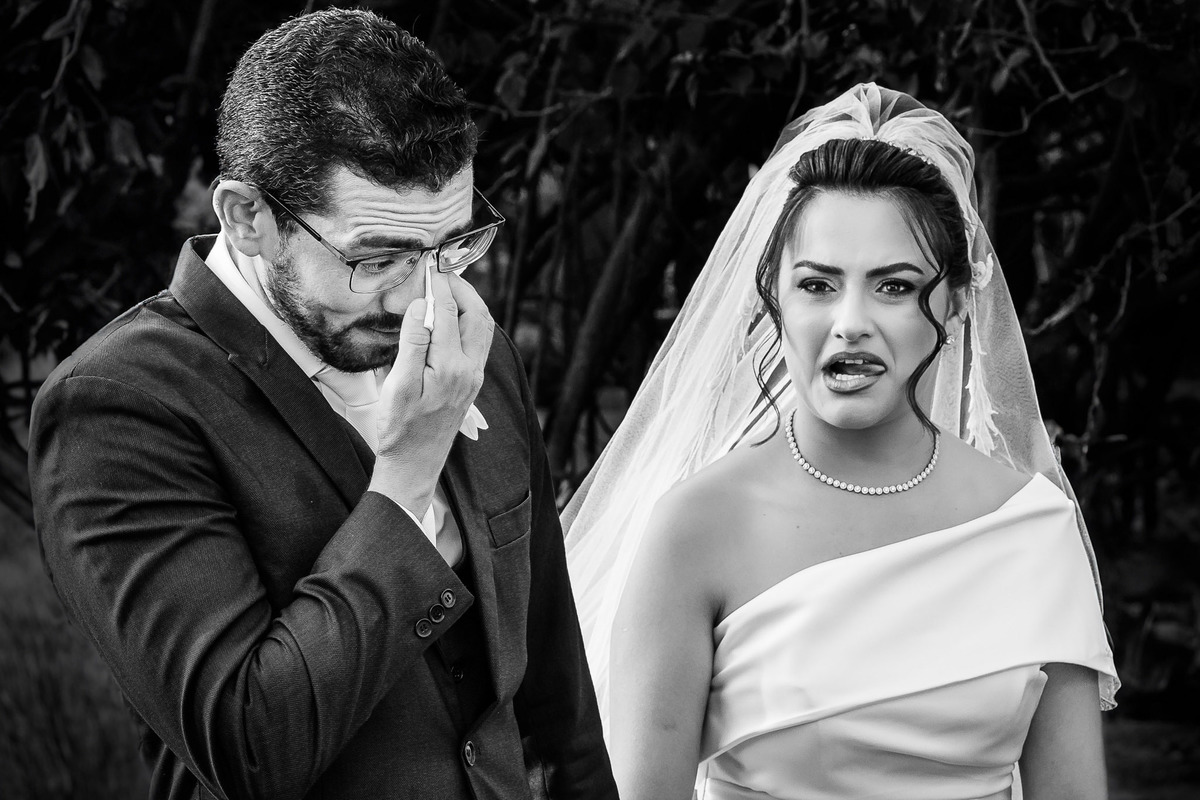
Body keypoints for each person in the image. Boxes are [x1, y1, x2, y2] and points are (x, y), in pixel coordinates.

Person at [28, 9, 616, 800]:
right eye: (378, 258)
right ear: (248, 218)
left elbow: (555, 705)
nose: (419, 300)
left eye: (451, 248)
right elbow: (250, 750)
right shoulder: (118, 407)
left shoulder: (476, 351)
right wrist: (407, 473)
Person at [563, 83, 1119, 800]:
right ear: (774, 298)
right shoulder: (696, 528)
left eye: (893, 287)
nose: (850, 322)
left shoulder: (1034, 531)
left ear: (954, 301)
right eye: (818, 285)